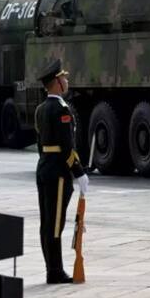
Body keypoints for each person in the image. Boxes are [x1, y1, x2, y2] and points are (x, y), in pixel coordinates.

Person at [34, 59, 89, 284]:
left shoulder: (40, 109)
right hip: (58, 173)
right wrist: (79, 172)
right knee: (56, 223)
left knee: (46, 222)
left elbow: (40, 144)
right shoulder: (61, 109)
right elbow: (67, 146)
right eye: (64, 77)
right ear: (57, 82)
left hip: (44, 168)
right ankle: (55, 271)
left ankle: (52, 267)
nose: (67, 80)